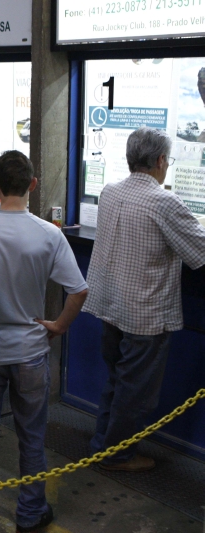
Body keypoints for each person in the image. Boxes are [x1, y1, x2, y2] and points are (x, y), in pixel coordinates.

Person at [0, 151, 89, 533]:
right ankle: (30, 514)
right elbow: (78, 290)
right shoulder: (49, 233)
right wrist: (59, 326)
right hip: (30, 353)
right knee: (32, 437)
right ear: (31, 185)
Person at [84, 127, 205, 472]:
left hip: (110, 306)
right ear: (162, 161)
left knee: (118, 380)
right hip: (144, 314)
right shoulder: (163, 201)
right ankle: (117, 455)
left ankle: (101, 445)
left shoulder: (110, 192)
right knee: (136, 392)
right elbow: (200, 250)